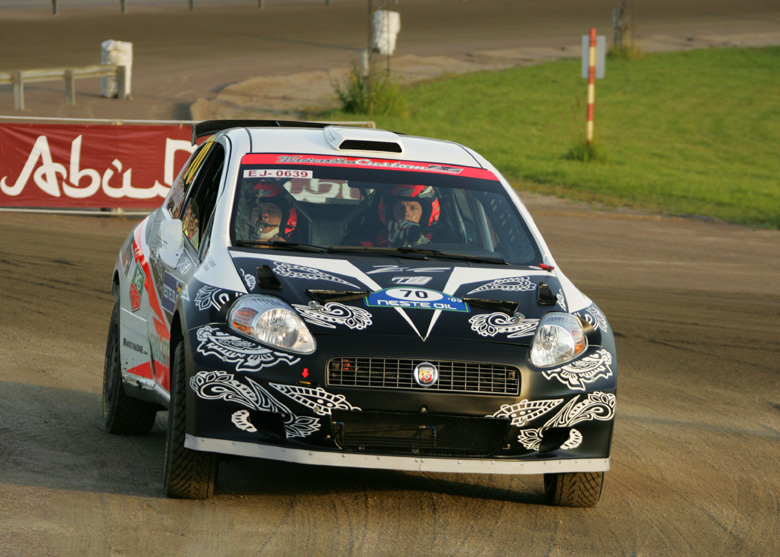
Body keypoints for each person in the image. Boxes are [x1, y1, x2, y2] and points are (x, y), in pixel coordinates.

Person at [373, 184, 440, 247]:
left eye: (413, 208)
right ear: (389, 211)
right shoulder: (371, 243)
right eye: (400, 207)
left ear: (424, 214)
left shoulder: (441, 243)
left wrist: (418, 241)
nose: (405, 213)